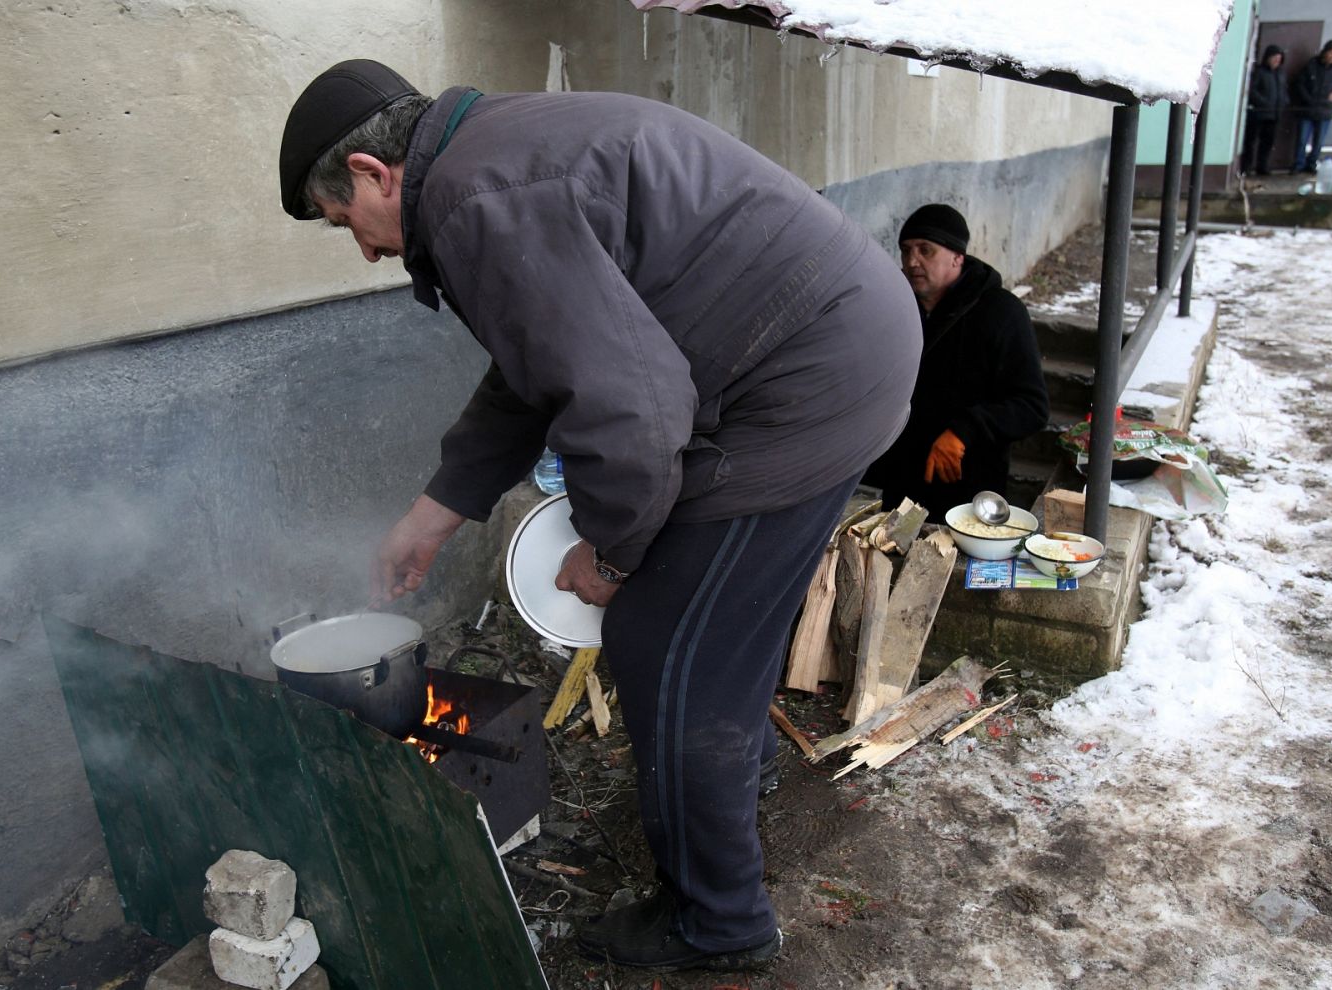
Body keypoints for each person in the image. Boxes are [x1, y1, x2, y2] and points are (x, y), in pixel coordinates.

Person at [277, 61, 919, 971]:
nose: (368, 252)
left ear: (378, 174)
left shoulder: (476, 200)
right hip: (836, 343)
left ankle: (718, 920)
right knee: (719, 616)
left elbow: (633, 410)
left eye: (349, 223)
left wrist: (613, 556)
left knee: (663, 640)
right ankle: (730, 775)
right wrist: (437, 512)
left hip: (802, 380)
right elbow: (540, 362)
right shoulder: (487, 159)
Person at [861, 204, 1049, 522]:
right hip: (897, 485)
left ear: (957, 257)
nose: (912, 261)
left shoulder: (1001, 313)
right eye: (906, 250)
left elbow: (1031, 406)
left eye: (926, 250)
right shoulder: (897, 307)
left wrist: (964, 430)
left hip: (967, 490)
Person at [1291, 39, 1332, 174]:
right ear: (1325, 52)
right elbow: (1300, 83)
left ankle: (1311, 164)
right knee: (1301, 140)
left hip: (1325, 111)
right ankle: (1298, 164)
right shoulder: (1312, 65)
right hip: (1308, 109)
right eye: (1330, 53)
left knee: (1318, 142)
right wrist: (1307, 98)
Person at [1240, 45, 1288, 176]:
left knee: (1267, 143)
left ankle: (1263, 167)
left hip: (1274, 115)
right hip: (1258, 114)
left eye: (1279, 59)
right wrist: (1263, 103)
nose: (1276, 62)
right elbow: (1252, 91)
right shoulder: (1259, 72)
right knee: (1251, 142)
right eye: (1274, 58)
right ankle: (1247, 167)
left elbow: (1283, 90)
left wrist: (1284, 101)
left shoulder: (1281, 74)